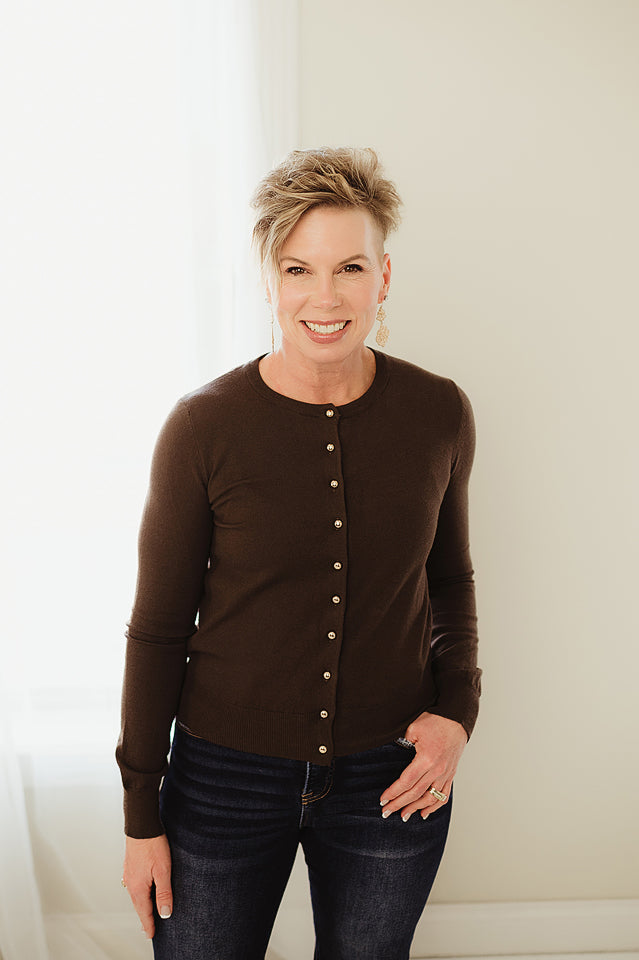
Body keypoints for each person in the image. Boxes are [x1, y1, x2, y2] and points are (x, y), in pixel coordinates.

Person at [116, 146, 481, 960]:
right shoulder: (203, 428)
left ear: (383, 277)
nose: (324, 296)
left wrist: (457, 712)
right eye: (297, 269)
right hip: (221, 778)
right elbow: (158, 630)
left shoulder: (437, 412)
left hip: (391, 776)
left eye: (350, 267)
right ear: (269, 281)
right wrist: (142, 817)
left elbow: (448, 580)